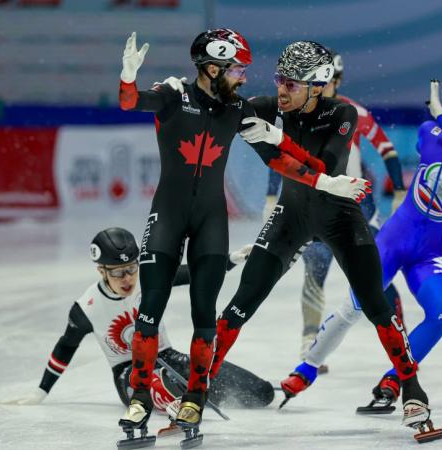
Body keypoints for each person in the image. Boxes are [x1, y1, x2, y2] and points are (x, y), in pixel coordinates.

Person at [116, 30, 362, 442]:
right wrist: (127, 80)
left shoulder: (238, 110)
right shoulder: (175, 94)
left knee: (204, 316)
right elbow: (131, 103)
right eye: (237, 69)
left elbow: (277, 158)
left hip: (212, 221)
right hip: (168, 216)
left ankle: (194, 397)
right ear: (212, 68)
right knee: (150, 310)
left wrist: (325, 183)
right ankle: (139, 397)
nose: (245, 77)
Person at [207, 40, 439, 439]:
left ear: (317, 85)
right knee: (242, 301)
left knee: (376, 304)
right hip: (290, 216)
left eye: (292, 83)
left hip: (341, 216)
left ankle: (413, 392)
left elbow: (325, 167)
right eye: (280, 79)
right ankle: (198, 387)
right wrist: (207, 81)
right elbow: (222, 109)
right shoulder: (272, 106)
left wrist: (276, 139)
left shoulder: (344, 113)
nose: (282, 89)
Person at [281, 79, 442, 439]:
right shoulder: (430, 131)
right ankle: (307, 369)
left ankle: (395, 380)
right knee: (355, 307)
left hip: (430, 255)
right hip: (393, 242)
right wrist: (441, 117)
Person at [1, 228, 274, 412]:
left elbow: (190, 274)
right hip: (128, 375)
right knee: (162, 380)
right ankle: (178, 401)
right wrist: (41, 392)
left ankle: (185, 394)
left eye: (131, 269)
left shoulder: (148, 278)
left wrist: (230, 261)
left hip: (168, 357)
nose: (128, 280)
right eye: (118, 273)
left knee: (261, 394)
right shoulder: (87, 307)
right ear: (101, 271)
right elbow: (64, 348)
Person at [264, 51, 408, 363]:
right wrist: (271, 197)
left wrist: (398, 190)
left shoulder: (353, 112)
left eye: (327, 81)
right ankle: (309, 341)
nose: (321, 86)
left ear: (337, 81)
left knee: (376, 275)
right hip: (315, 206)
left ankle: (401, 335)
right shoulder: (296, 114)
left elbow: (388, 150)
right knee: (314, 272)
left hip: (355, 209)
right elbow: (280, 158)